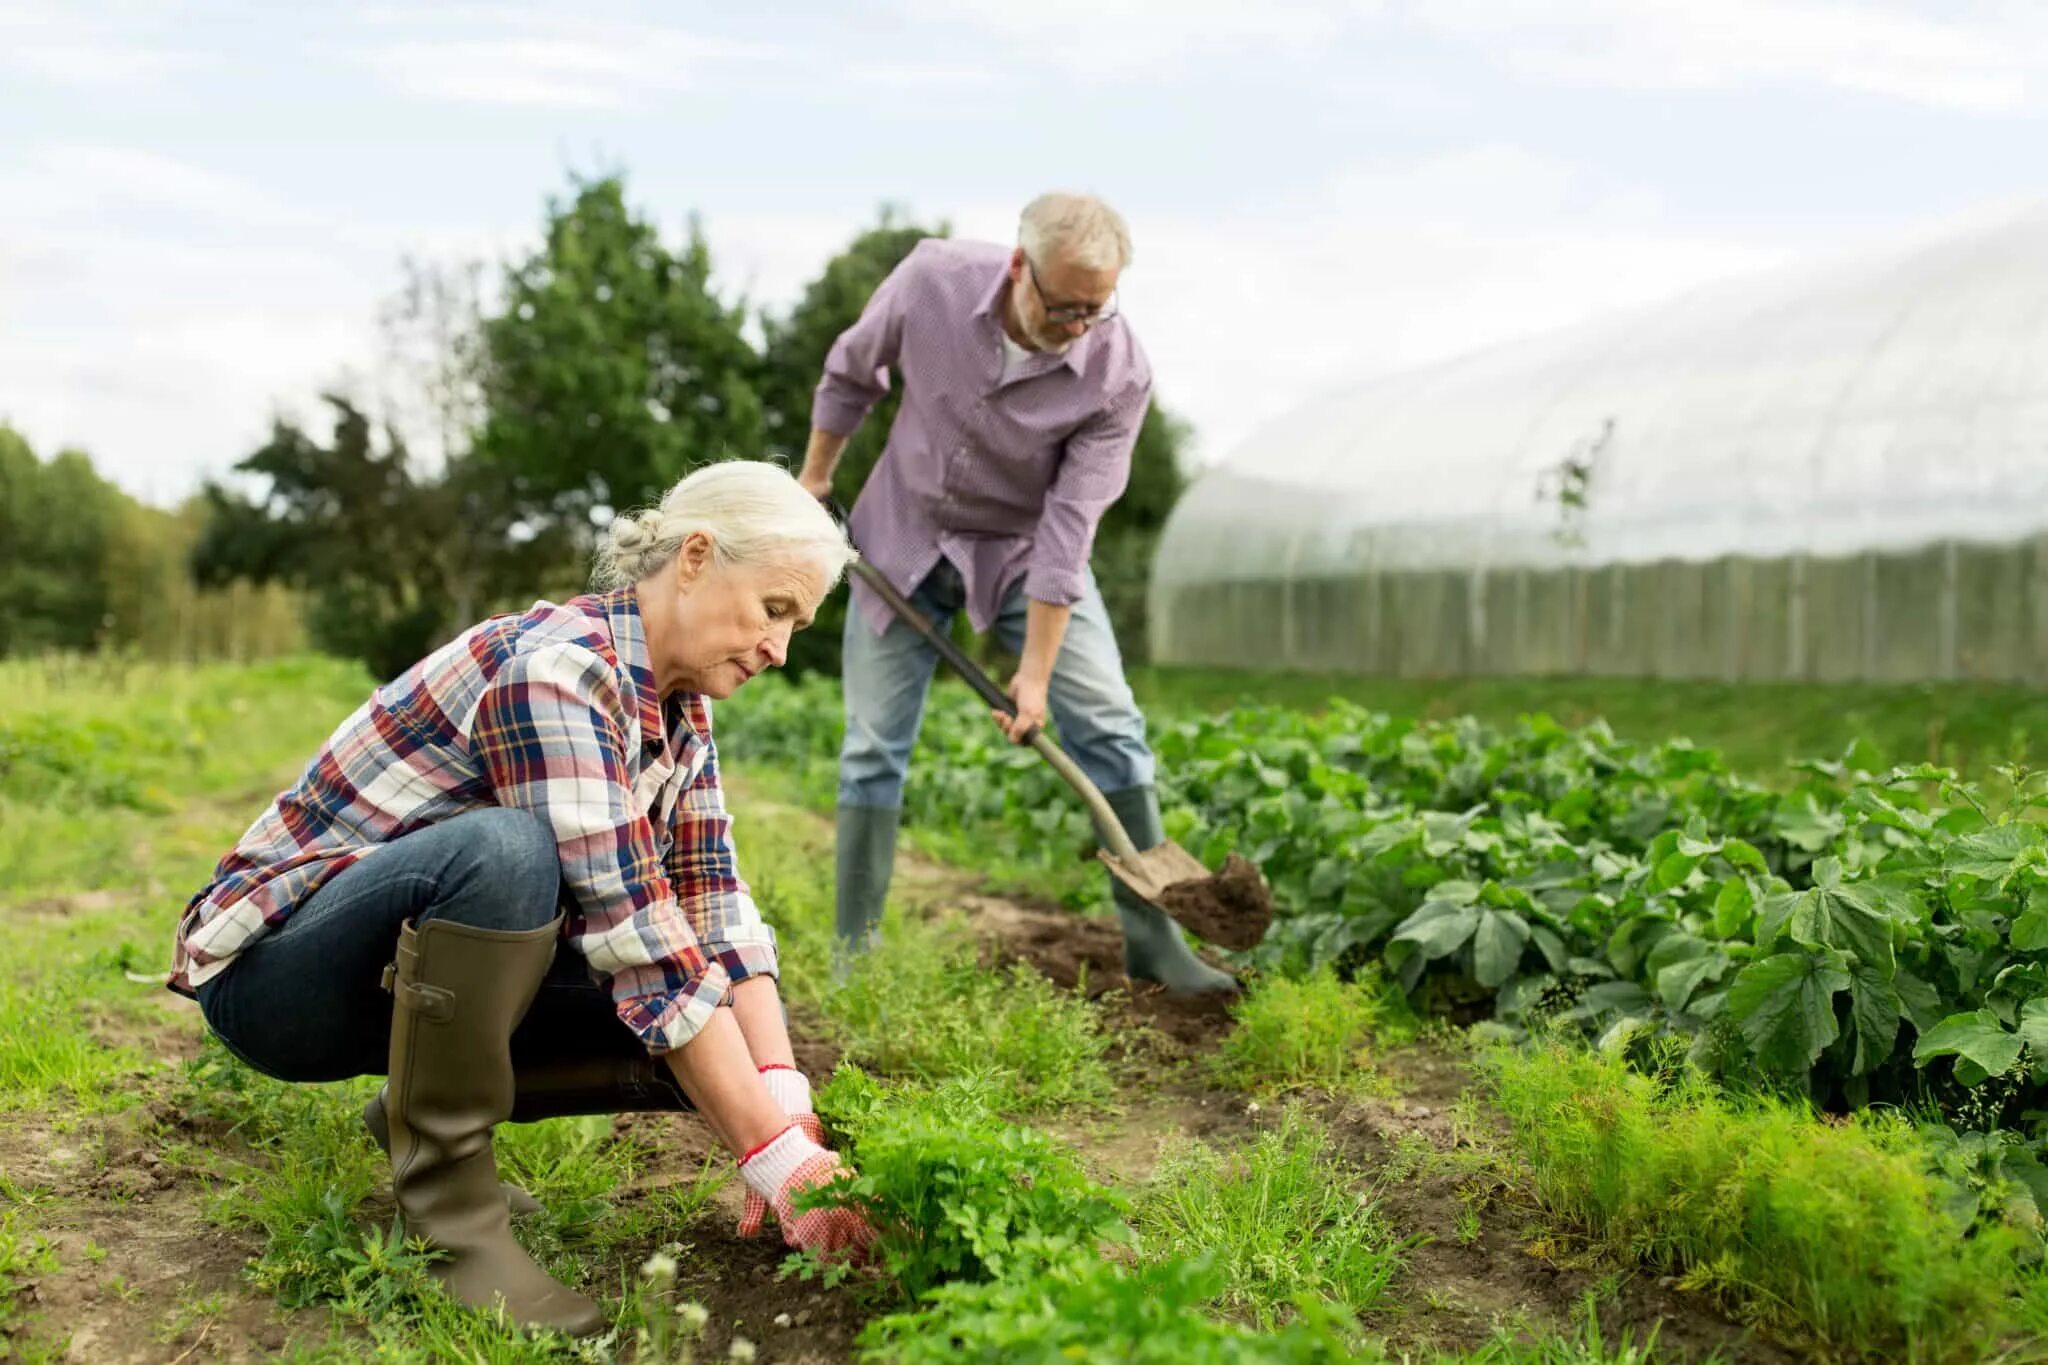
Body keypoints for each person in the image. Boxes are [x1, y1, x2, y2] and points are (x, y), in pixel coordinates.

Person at [168, 461, 878, 1337]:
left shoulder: (680, 709)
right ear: (696, 556)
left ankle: (415, 1116)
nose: (780, 649)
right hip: (276, 978)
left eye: (797, 626)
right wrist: (769, 1158)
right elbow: (638, 935)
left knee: (703, 1024)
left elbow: (712, 899)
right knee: (510, 855)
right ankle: (450, 1217)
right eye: (775, 610)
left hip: (394, 975)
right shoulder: (558, 671)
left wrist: (785, 1108)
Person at [797, 191, 1234, 996]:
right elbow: (853, 371)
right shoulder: (932, 280)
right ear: (1017, 266)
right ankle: (852, 955)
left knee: (1108, 724)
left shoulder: (1118, 373)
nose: (1077, 326)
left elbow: (1071, 531)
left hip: (1024, 553)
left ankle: (1158, 944)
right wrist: (814, 480)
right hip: (904, 531)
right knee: (872, 747)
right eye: (1062, 306)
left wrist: (1035, 671)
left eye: (1094, 312)